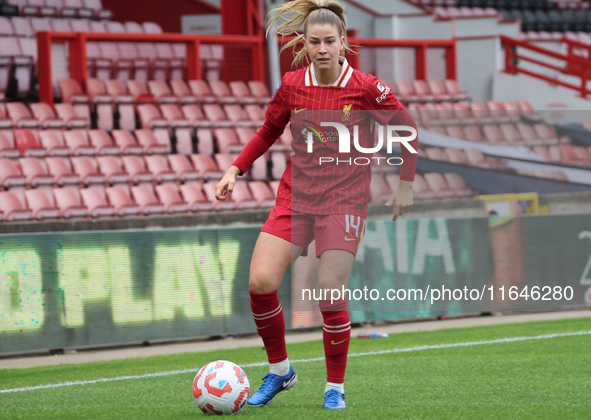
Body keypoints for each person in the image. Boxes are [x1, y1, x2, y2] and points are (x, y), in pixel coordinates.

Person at [215, 0, 418, 410]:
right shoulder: (292, 84)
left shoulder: (365, 86)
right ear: (303, 44)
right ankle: (279, 372)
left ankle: (335, 388)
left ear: (343, 42)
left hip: (343, 202)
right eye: (315, 42)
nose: (323, 48)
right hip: (296, 199)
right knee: (260, 283)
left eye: (330, 41)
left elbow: (406, 127)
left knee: (329, 292)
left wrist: (405, 186)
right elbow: (268, 131)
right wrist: (235, 169)